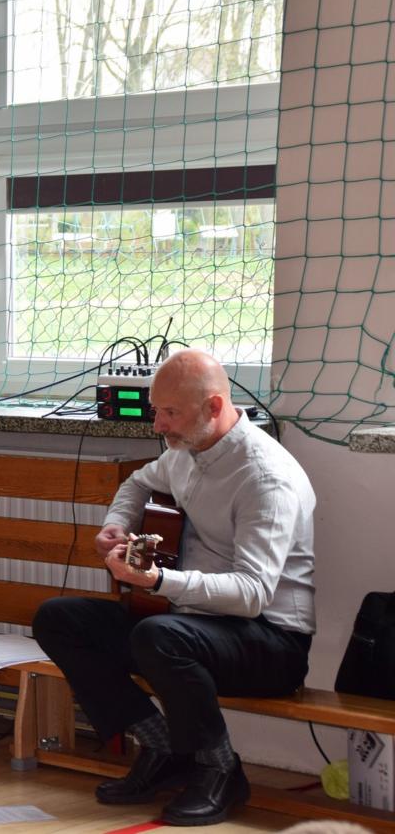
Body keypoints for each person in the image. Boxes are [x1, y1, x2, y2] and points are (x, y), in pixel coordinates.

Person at [32, 349, 316, 826]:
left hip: (271, 641)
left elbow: (252, 594)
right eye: (155, 410)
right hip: (191, 624)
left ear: (214, 407)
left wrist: (161, 580)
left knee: (159, 636)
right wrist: (117, 525)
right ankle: (162, 747)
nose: (158, 425)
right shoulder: (186, 450)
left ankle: (219, 769)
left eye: (170, 412)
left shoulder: (266, 478)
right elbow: (137, 483)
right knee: (58, 619)